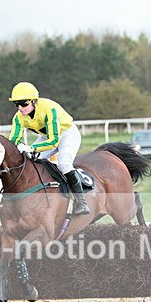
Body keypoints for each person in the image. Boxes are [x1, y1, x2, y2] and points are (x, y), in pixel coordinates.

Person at [7, 81, 90, 215]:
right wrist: (16, 147)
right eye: (17, 104)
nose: (20, 108)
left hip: (67, 134)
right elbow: (13, 140)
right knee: (30, 162)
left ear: (34, 101)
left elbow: (54, 141)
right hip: (47, 137)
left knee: (64, 164)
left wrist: (31, 147)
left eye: (24, 104)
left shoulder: (49, 109)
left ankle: (82, 203)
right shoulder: (18, 117)